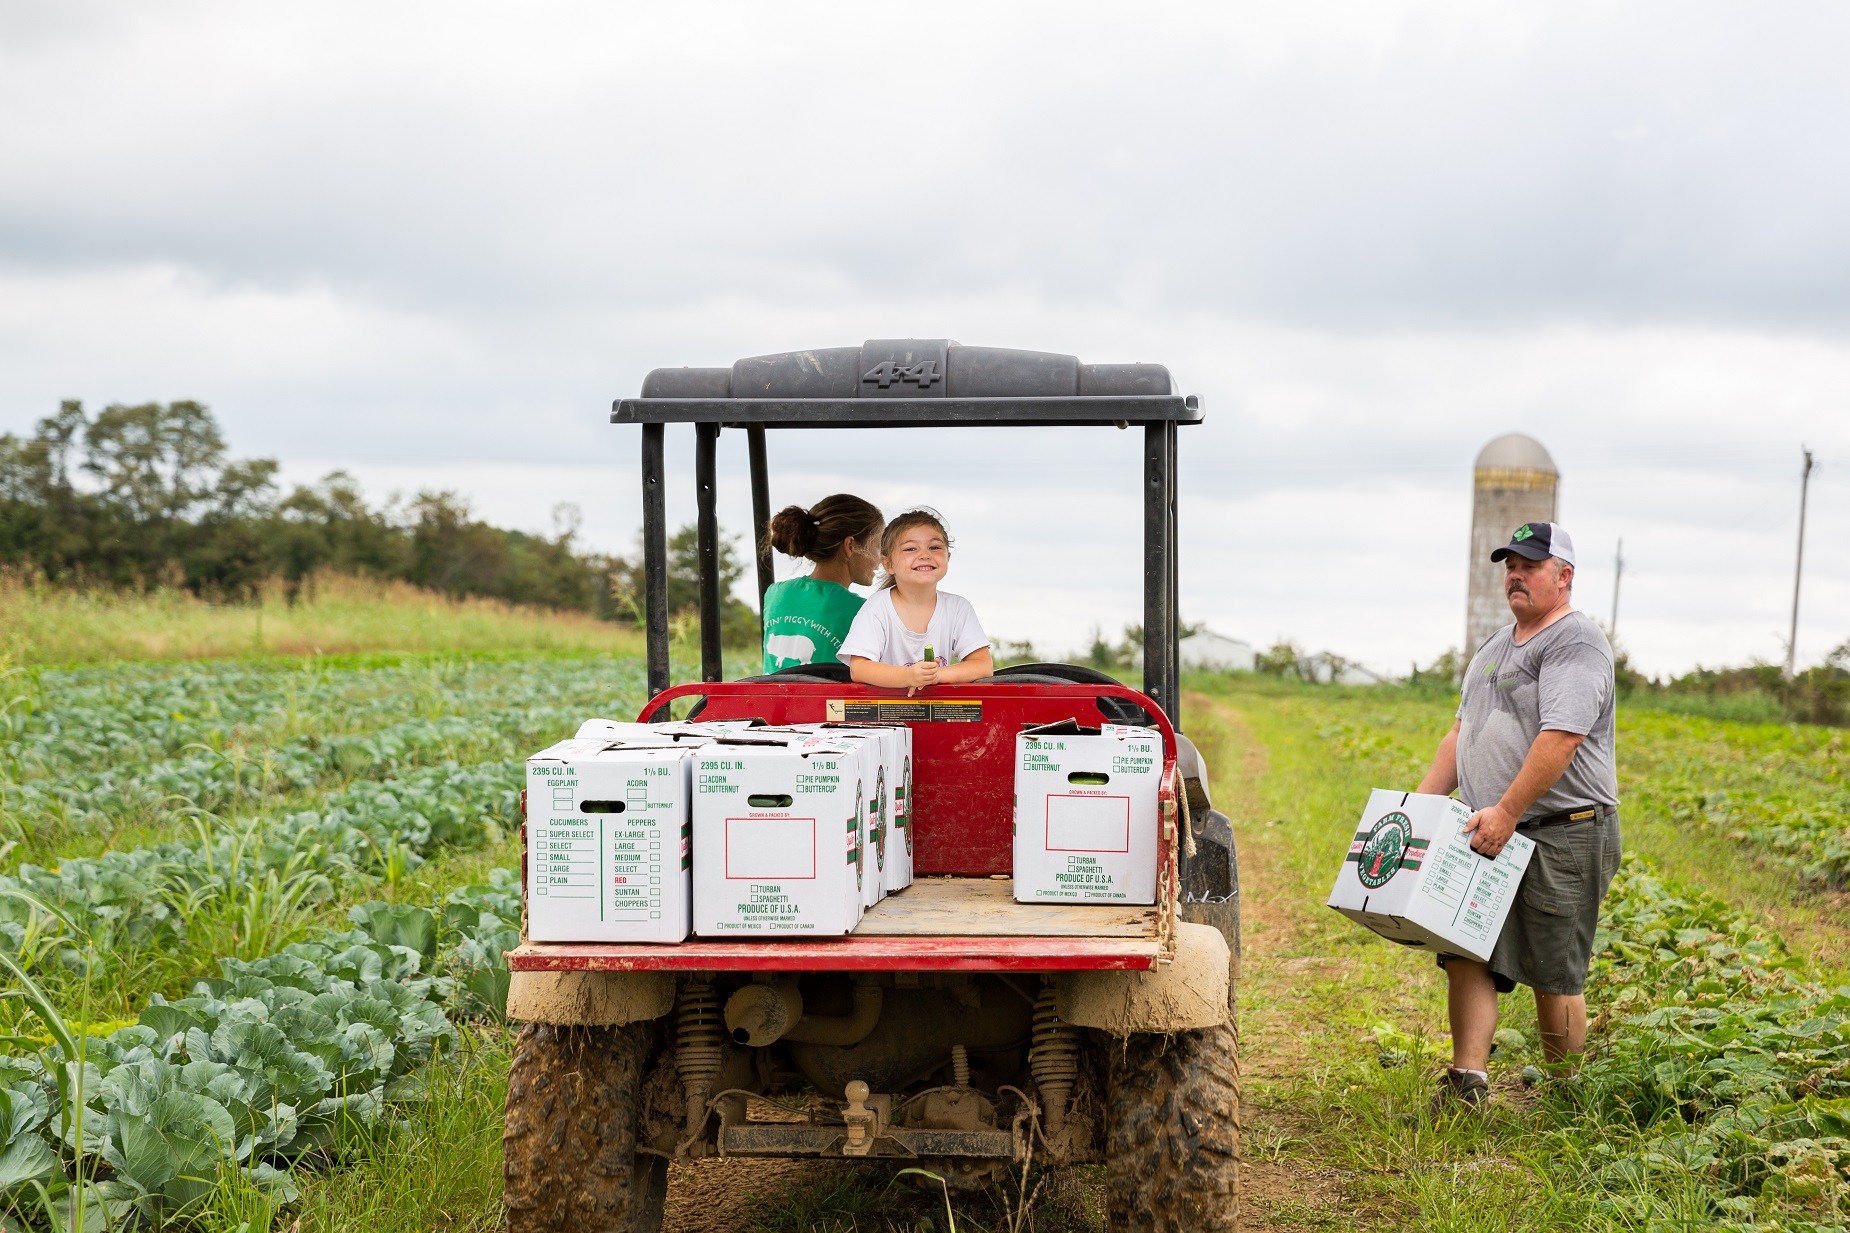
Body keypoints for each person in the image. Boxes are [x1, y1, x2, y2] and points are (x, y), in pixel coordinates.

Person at [1414, 521, 1622, 1110]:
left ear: (1564, 576)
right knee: (1465, 948)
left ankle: (1564, 1097)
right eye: (1510, 564)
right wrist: (1419, 807)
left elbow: (1562, 737)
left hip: (1564, 830)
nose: (1516, 575)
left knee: (1552, 967)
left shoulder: (1575, 645)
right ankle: (1467, 1083)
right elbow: (1460, 735)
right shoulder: (1493, 648)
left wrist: (1507, 811)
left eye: (1530, 565)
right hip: (1489, 827)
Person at [839, 508, 993, 694]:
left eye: (934, 547)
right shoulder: (876, 607)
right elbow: (859, 668)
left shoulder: (959, 608)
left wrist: (935, 676)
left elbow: (983, 666)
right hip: (884, 714)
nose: (924, 554)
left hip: (937, 713)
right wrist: (908, 676)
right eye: (911, 548)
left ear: (948, 557)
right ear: (888, 564)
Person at [760, 495, 885, 673]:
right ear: (850, 546)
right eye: (878, 545)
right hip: (827, 702)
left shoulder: (775, 594)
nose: (881, 559)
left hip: (772, 701)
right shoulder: (863, 611)